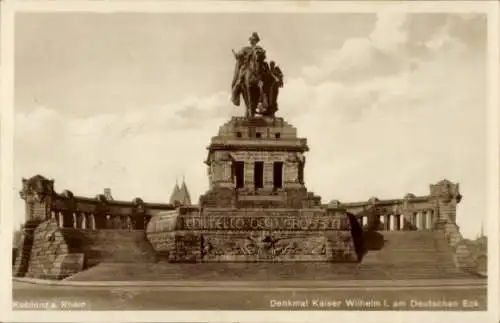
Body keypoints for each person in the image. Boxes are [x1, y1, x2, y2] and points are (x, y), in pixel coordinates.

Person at [231, 32, 265, 106]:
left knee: (265, 77)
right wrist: (238, 55)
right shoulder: (245, 49)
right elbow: (239, 55)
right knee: (240, 78)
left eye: (253, 39)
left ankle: (264, 98)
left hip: (258, 69)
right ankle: (235, 95)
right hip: (246, 67)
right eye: (251, 39)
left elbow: (263, 56)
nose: (251, 41)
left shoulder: (259, 49)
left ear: (256, 40)